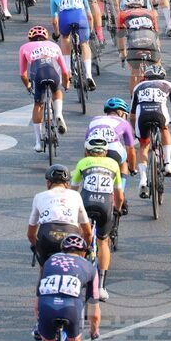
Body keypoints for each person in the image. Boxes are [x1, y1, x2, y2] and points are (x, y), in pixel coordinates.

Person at [71, 136, 123, 301]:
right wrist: (118, 210)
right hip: (105, 206)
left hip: (86, 203)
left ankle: (75, 278)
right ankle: (101, 286)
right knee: (103, 241)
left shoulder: (82, 163)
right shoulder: (114, 165)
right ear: (105, 152)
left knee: (80, 236)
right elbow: (119, 196)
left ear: (87, 151)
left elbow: (73, 191)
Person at [34, 233, 100, 341]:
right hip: (71, 308)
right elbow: (95, 312)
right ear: (83, 253)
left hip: (47, 305)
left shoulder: (50, 261)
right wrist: (94, 331)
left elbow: (37, 303)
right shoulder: (90, 268)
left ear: (63, 250)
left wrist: (39, 322)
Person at [27, 164, 93, 269]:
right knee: (73, 270)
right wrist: (85, 248)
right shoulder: (75, 195)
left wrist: (38, 246)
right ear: (67, 184)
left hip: (46, 235)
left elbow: (31, 234)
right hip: (70, 234)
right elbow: (88, 233)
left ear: (48, 183)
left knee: (44, 271)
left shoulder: (39, 196)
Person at [130, 63, 171, 195]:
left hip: (143, 115)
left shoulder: (138, 87)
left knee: (143, 146)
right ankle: (168, 163)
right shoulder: (169, 85)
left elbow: (132, 115)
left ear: (146, 77)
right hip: (160, 113)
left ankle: (142, 179)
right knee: (165, 129)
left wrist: (135, 132)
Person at [19, 25, 71, 149]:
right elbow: (64, 71)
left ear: (30, 38)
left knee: (38, 105)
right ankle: (58, 114)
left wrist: (28, 86)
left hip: (38, 74)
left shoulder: (24, 47)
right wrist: (66, 83)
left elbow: (23, 74)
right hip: (52, 73)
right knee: (57, 92)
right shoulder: (54, 46)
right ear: (46, 37)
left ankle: (38, 142)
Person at [86, 98, 137, 213]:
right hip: (113, 150)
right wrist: (132, 168)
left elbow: (86, 143)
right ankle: (120, 193)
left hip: (92, 150)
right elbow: (131, 150)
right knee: (123, 164)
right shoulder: (123, 122)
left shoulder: (94, 119)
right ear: (121, 113)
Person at [50, 0, 97, 91]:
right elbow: (90, 16)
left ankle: (68, 70)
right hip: (80, 18)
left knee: (65, 38)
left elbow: (55, 21)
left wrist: (56, 34)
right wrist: (90, 31)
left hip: (65, 19)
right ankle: (88, 75)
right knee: (84, 44)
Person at [116, 0, 162, 92]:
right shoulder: (151, 13)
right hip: (150, 41)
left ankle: (134, 99)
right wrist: (158, 51)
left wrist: (123, 53)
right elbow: (156, 34)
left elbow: (120, 37)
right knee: (157, 66)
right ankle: (159, 91)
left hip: (135, 44)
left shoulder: (122, 14)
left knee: (134, 72)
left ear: (126, 5)